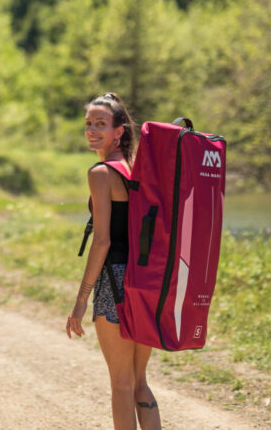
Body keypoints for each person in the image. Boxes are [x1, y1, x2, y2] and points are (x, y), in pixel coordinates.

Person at [66, 93, 161, 430]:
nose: (92, 130)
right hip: (147, 280)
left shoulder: (101, 173)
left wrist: (80, 301)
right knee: (139, 381)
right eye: (89, 124)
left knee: (121, 384)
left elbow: (103, 240)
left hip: (115, 282)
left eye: (100, 124)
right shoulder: (138, 168)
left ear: (119, 131)